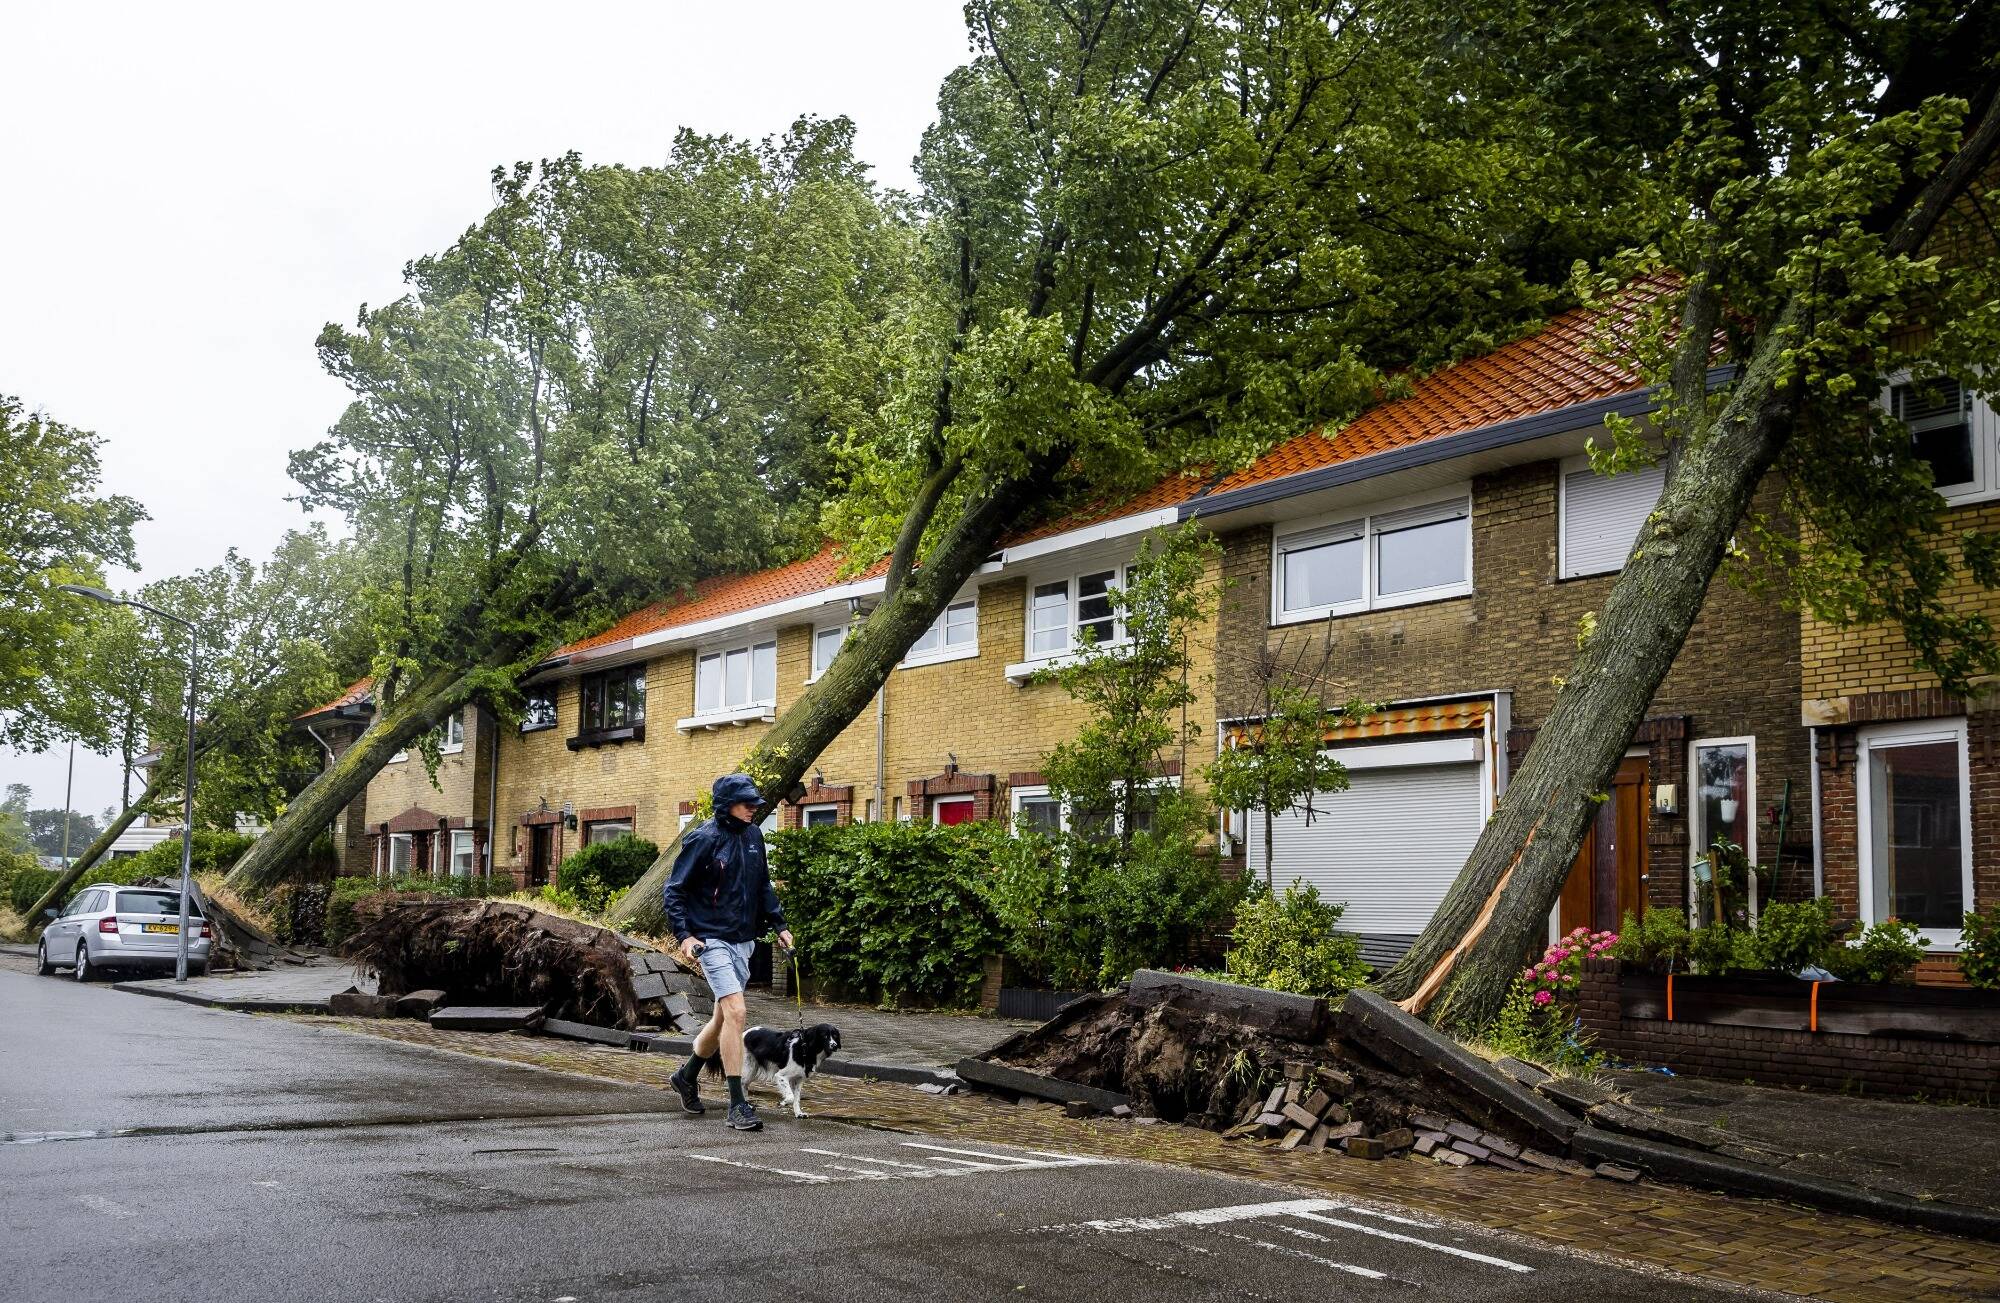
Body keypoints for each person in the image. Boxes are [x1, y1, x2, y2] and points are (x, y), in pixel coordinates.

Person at [664, 772, 793, 1131]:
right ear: (726, 805)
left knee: (723, 1018)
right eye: (746, 803)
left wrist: (779, 925)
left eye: (755, 803)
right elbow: (674, 890)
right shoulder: (704, 839)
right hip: (711, 939)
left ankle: (686, 1076)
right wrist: (685, 935)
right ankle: (737, 1104)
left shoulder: (753, 836)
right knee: (737, 1012)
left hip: (743, 939)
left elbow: (762, 884)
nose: (754, 808)